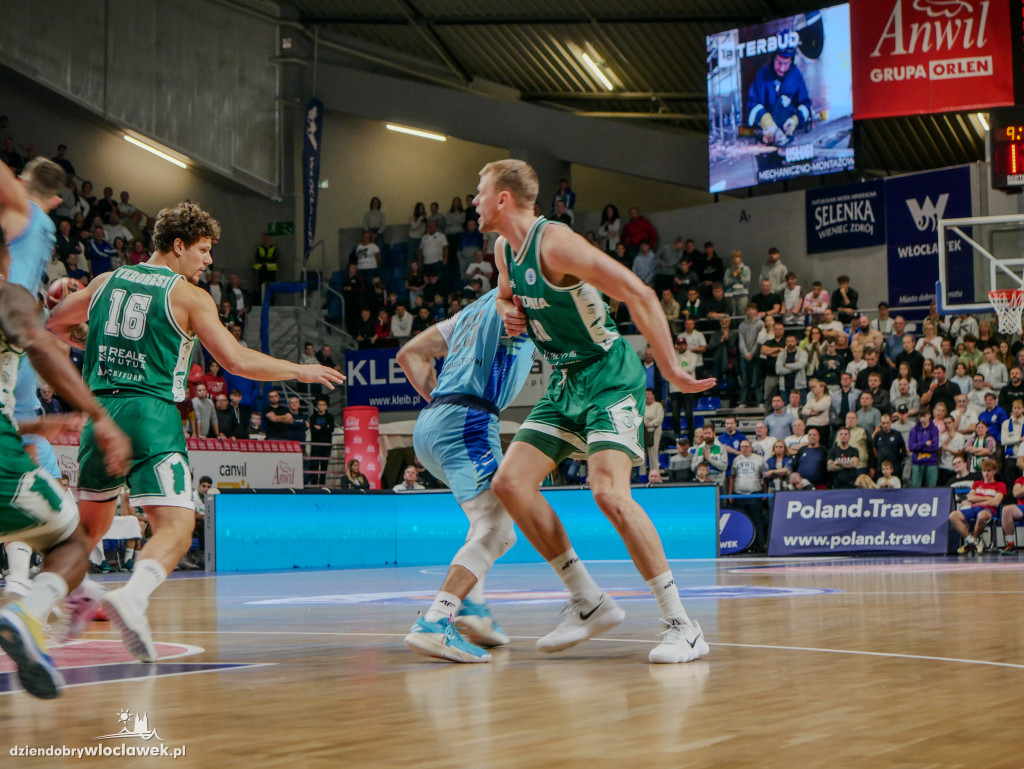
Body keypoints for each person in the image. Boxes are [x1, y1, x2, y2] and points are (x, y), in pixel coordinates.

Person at [46, 202, 345, 664]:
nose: (208, 261)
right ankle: (133, 596)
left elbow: (56, 323)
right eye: (203, 250)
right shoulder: (187, 296)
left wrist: (91, 341)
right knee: (177, 528)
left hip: (100, 411)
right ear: (179, 246)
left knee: (85, 531)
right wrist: (299, 371)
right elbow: (237, 361)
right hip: (151, 413)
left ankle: (35, 608)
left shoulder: (106, 281)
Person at [479, 159, 715, 664]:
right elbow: (503, 301)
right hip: (566, 380)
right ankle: (586, 599)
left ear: (502, 199)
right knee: (509, 483)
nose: (473, 201)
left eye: (480, 192)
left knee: (609, 492)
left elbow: (639, 291)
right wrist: (508, 312)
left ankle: (683, 624)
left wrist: (670, 369)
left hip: (608, 375)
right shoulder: (504, 250)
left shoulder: (555, 243)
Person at [0, 227, 131, 698]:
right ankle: (27, 613)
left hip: (13, 435)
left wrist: (35, 428)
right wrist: (99, 415)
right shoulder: (8, 292)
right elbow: (38, 343)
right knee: (71, 539)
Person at [396, 289, 535, 662]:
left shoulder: (470, 312)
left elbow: (407, 353)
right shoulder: (524, 303)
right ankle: (437, 620)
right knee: (499, 530)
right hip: (469, 420)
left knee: (487, 522)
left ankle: (473, 607)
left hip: (432, 422)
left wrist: (442, 402)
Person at [746, 41, 811, 146]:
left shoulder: (796, 75)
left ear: (792, 60)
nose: (782, 68)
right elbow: (752, 104)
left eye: (786, 63)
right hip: (765, 137)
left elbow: (805, 105)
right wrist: (765, 120)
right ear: (773, 58)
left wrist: (795, 120)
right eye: (779, 62)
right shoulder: (762, 75)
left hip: (789, 138)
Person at [950, 459, 1004, 554]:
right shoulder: (977, 484)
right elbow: (970, 497)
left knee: (981, 515)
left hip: (988, 510)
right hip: (973, 508)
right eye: (984, 471)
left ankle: (972, 542)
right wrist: (989, 498)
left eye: (989, 471)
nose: (986, 474)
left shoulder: (1000, 485)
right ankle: (973, 541)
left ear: (994, 471)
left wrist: (978, 499)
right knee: (953, 516)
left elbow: (996, 503)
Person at [308, 397, 335, 487]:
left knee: (324, 466)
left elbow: (330, 430)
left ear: (326, 406)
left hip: (326, 445)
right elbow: (313, 430)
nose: (321, 407)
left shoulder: (330, 417)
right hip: (315, 444)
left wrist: (320, 428)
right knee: (314, 465)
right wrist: (324, 428)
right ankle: (313, 485)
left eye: (323, 405)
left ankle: (321, 485)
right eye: (319, 405)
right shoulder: (313, 417)